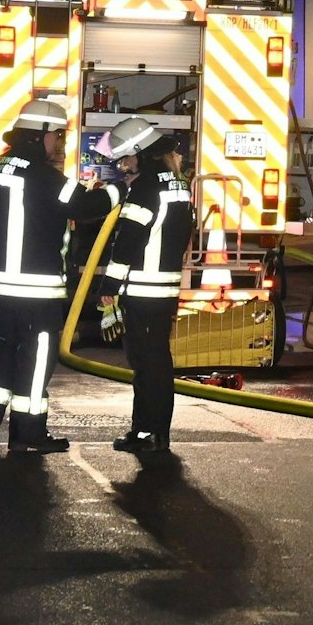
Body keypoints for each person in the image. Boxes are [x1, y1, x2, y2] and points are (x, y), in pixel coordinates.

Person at [0, 96, 120, 453]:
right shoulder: (43, 177)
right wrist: (119, 189)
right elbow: (87, 206)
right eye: (58, 136)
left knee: (4, 353)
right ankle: (28, 433)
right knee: (36, 360)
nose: (60, 144)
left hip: (0, 286)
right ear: (41, 135)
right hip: (37, 290)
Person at [98, 117, 194, 455]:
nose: (123, 165)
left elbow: (128, 241)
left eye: (126, 158)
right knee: (157, 361)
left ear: (141, 152)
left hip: (141, 289)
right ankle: (154, 432)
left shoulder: (145, 188)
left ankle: (147, 432)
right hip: (165, 287)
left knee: (146, 364)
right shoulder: (178, 183)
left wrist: (110, 283)